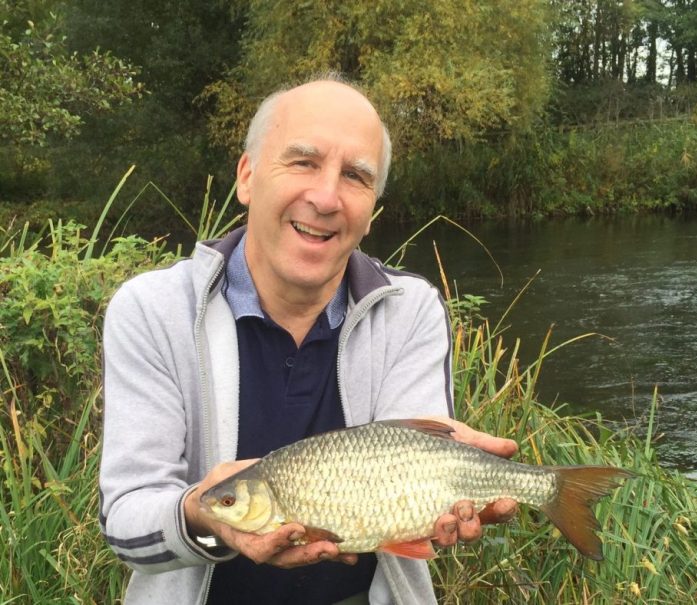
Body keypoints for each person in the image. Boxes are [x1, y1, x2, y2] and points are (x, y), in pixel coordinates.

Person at [99, 73, 518, 605]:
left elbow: (419, 498)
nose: (325, 197)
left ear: (373, 208)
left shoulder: (410, 310)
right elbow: (125, 523)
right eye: (303, 162)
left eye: (356, 177)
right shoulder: (153, 310)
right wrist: (204, 516)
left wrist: (455, 489)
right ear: (247, 177)